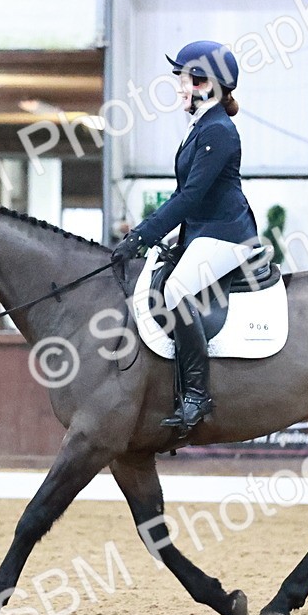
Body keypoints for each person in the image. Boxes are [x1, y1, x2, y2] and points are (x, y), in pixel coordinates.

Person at [111, 40, 260, 435]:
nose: (182, 85)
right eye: (181, 77)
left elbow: (190, 196)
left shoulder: (219, 131)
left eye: (192, 78)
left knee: (175, 292)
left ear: (215, 85)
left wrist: (142, 235)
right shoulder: (201, 126)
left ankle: (196, 394)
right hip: (204, 232)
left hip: (228, 236)